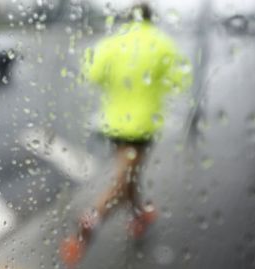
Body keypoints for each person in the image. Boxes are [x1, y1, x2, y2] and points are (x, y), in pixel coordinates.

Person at [60, 2, 192, 268]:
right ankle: (86, 227)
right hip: (143, 126)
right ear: (150, 18)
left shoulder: (112, 42)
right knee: (122, 182)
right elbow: (181, 81)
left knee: (128, 175)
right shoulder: (161, 43)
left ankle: (140, 215)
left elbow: (93, 74)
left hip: (114, 125)